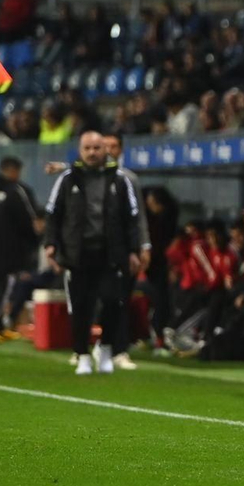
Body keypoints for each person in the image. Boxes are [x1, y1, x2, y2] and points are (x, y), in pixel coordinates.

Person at [44, 131, 142, 376]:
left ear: (105, 150)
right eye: (87, 148)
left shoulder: (120, 179)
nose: (92, 153)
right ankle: (82, 354)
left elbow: (132, 217)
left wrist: (134, 250)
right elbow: (53, 213)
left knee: (112, 302)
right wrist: (50, 244)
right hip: (78, 254)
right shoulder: (68, 178)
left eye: (97, 148)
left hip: (110, 253)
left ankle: (106, 348)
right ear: (80, 150)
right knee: (80, 307)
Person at [0, 156, 43, 339]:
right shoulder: (15, 191)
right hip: (7, 252)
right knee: (4, 288)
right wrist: (35, 241)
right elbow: (28, 220)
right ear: (14, 171)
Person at [101, 132, 153, 369]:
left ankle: (119, 349)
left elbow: (138, 216)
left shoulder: (128, 179)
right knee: (97, 299)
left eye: (113, 146)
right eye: (105, 146)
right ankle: (94, 345)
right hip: (95, 248)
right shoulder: (89, 177)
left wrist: (144, 245)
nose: (109, 151)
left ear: (120, 150)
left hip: (122, 249)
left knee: (121, 298)